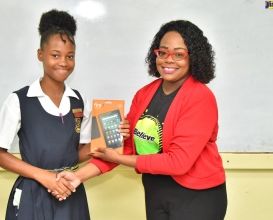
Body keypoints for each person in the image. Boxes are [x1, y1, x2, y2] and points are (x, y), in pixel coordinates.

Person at [56, 20, 228, 220]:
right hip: (156, 191)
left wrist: (118, 158)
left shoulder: (199, 97)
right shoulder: (145, 94)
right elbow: (124, 146)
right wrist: (76, 177)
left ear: (194, 58)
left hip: (197, 197)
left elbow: (178, 163)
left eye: (179, 54)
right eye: (162, 52)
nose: (168, 60)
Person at [0, 9, 129, 220]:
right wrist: (43, 176)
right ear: (40, 54)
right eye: (55, 55)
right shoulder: (19, 100)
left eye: (70, 56)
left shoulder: (78, 101)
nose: (63, 62)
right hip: (33, 192)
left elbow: (77, 153)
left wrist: (114, 137)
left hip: (69, 189)